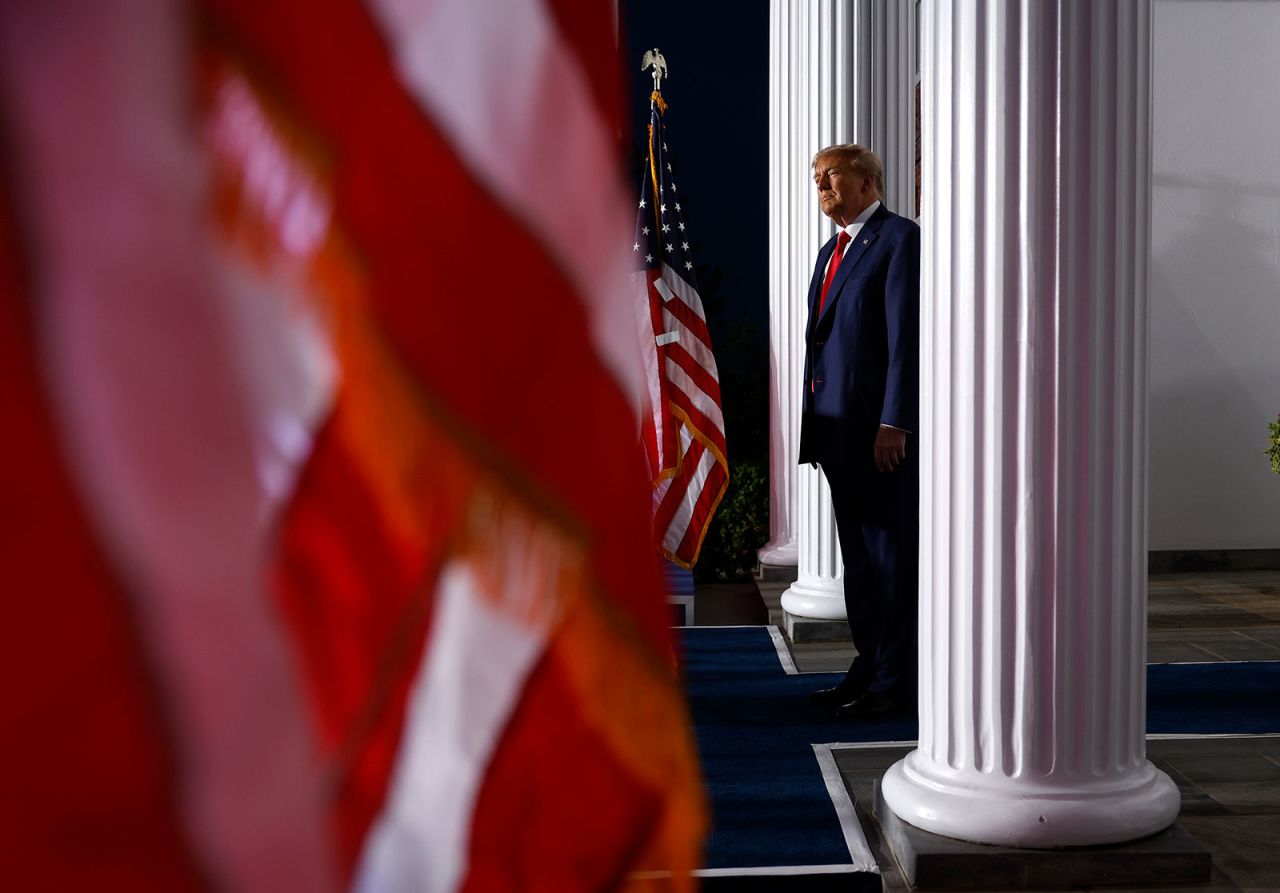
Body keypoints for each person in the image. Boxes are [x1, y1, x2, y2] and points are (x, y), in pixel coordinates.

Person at [799, 144, 920, 717]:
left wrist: (895, 420)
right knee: (860, 564)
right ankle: (870, 665)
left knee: (891, 560)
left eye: (831, 176)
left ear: (868, 182)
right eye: (817, 177)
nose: (821, 184)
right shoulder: (830, 251)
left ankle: (897, 681)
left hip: (881, 438)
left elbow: (906, 340)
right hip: (838, 437)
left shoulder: (899, 240)